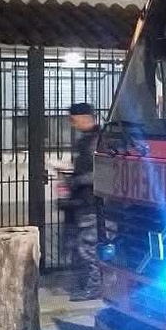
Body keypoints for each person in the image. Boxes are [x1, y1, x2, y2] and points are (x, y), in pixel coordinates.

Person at [64, 102, 101, 301]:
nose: (71, 123)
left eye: (73, 118)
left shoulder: (96, 141)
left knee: (89, 248)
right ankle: (88, 286)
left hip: (93, 204)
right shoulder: (87, 140)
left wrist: (76, 180)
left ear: (85, 117)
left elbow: (100, 174)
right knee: (82, 247)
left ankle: (94, 288)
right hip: (83, 202)